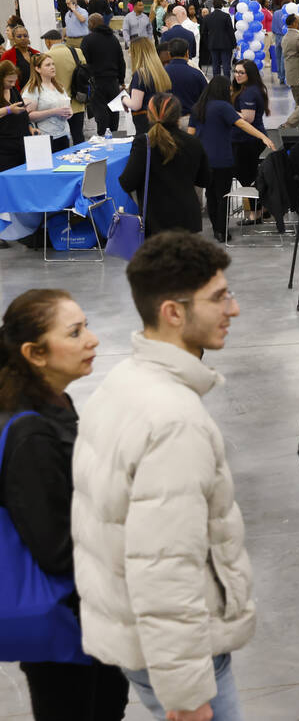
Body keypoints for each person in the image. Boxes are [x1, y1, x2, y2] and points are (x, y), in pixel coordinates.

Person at [72, 232, 253, 721]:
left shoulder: (123, 382)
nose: (232, 309)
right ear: (173, 312)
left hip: (139, 641)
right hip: (183, 660)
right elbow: (166, 568)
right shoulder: (173, 420)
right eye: (219, 298)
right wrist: (188, 693)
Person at [0, 289, 130, 721]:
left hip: (87, 611)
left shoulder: (55, 401)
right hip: (67, 619)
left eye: (86, 326)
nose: (92, 340)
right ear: (35, 353)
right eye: (75, 333)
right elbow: (56, 550)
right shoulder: (29, 433)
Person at [187, 76, 274, 242]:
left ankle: (215, 228)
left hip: (204, 161)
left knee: (211, 197)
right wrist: (262, 136)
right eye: (229, 89)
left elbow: (190, 135)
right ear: (222, 90)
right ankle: (222, 231)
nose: (230, 91)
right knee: (223, 197)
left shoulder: (197, 108)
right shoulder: (223, 107)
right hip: (223, 161)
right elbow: (242, 124)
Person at [119, 93, 211, 237]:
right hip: (187, 219)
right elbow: (205, 179)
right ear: (178, 116)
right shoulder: (192, 142)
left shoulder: (144, 143)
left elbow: (127, 183)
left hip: (155, 222)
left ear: (149, 115)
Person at [230, 59, 271, 204]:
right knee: (250, 176)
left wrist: (228, 112)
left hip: (247, 141)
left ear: (250, 74)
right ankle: (261, 209)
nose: (237, 75)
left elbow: (248, 118)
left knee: (247, 178)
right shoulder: (250, 89)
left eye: (241, 72)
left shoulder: (248, 93)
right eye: (235, 71)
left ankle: (255, 212)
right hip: (247, 139)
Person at [80, 14, 124, 136]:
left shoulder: (88, 40)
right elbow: (121, 60)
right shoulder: (113, 39)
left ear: (93, 24)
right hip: (113, 81)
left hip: (97, 81)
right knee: (114, 109)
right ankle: (115, 134)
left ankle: (102, 135)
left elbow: (84, 62)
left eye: (89, 23)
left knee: (100, 110)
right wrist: (121, 80)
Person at [41, 30, 88, 144]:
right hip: (77, 102)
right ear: (61, 40)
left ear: (48, 42)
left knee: (62, 140)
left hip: (57, 107)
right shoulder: (77, 52)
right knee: (78, 136)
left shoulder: (45, 58)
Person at [22, 53, 74, 153]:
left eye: (53, 64)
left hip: (64, 134)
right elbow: (28, 116)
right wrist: (53, 112)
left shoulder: (59, 86)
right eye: (48, 65)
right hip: (46, 137)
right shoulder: (32, 89)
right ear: (37, 69)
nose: (52, 67)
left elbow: (67, 105)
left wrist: (69, 111)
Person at [123, 37, 173, 135]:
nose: (129, 55)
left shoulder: (141, 74)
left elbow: (136, 105)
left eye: (130, 52)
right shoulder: (161, 72)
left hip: (145, 124)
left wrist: (123, 99)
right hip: (161, 119)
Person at [0, 60, 35, 171]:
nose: (13, 84)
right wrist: (9, 110)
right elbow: (10, 110)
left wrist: (30, 127)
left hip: (20, 143)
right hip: (4, 147)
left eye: (14, 81)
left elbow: (23, 112)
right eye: (9, 81)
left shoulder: (13, 90)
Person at [164, 38, 208, 119]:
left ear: (169, 54)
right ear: (187, 53)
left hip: (167, 118)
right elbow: (206, 98)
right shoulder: (196, 74)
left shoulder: (161, 73)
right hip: (191, 119)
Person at [281, 14, 299, 128]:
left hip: (291, 76)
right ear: (294, 23)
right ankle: (288, 124)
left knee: (298, 103)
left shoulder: (285, 37)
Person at [203, 0, 236, 78]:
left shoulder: (207, 17)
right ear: (222, 6)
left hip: (213, 44)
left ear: (213, 6)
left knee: (215, 65)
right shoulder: (226, 16)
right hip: (226, 44)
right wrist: (234, 44)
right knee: (226, 65)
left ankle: (216, 83)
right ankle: (227, 83)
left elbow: (204, 33)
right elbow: (231, 31)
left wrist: (208, 43)